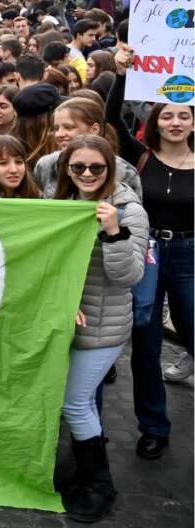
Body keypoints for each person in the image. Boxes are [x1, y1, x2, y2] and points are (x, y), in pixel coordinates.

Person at [54, 135, 146, 522]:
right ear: (67, 170)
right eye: (78, 168)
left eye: (96, 167)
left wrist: (114, 232)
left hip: (104, 327)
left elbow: (130, 276)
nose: (87, 174)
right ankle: (80, 472)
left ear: (110, 168)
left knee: (75, 402)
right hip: (65, 323)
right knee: (77, 402)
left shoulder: (129, 211)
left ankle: (100, 484)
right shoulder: (62, 205)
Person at [105, 53, 195, 447]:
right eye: (168, 116)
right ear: (155, 120)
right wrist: (122, 76)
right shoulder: (139, 156)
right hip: (148, 253)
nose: (176, 123)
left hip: (190, 256)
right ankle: (153, 427)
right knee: (145, 340)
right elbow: (112, 119)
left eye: (185, 116)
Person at [34, 97, 139, 198]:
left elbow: (132, 212)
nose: (59, 134)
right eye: (56, 128)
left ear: (94, 129)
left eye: (69, 127)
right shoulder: (45, 165)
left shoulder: (124, 172)